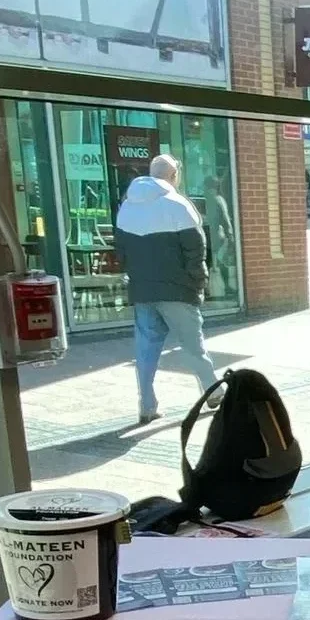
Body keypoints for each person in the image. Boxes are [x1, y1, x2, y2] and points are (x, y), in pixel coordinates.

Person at [114, 153, 221, 425]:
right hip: (178, 291)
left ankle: (146, 405)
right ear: (174, 176)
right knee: (192, 346)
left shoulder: (127, 207)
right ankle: (213, 392)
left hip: (142, 291)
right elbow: (196, 252)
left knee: (146, 349)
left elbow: (121, 253)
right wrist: (199, 285)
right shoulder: (178, 205)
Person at [201, 174, 235, 300]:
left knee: (208, 262)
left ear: (210, 188)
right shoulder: (216, 199)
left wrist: (230, 234)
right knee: (217, 262)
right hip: (215, 235)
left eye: (205, 187)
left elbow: (224, 219)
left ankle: (207, 290)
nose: (203, 190)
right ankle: (225, 287)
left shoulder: (215, 200)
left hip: (215, 236)